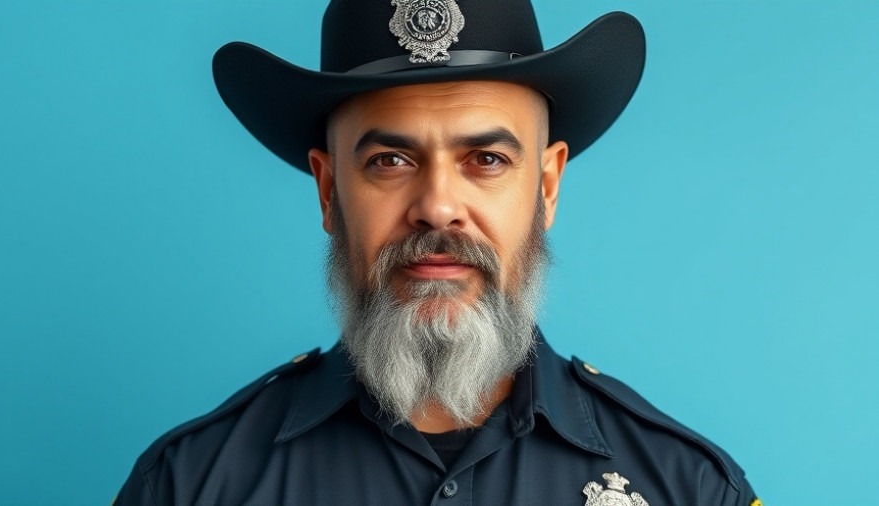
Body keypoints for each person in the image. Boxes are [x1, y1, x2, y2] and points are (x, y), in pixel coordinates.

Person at [116, 0, 761, 504]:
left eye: (486, 159)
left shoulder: (690, 489)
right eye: (390, 160)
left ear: (546, 185)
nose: (437, 205)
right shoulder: (189, 486)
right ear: (329, 189)